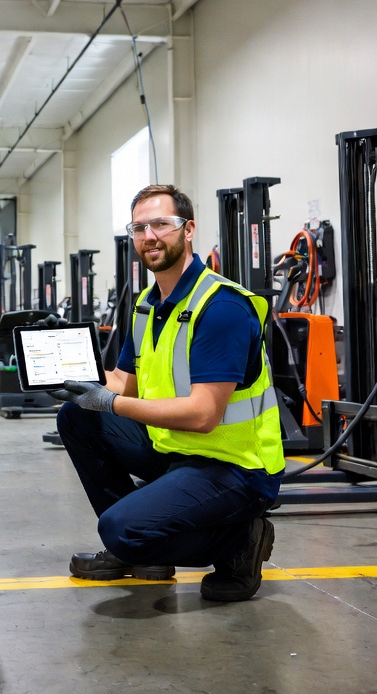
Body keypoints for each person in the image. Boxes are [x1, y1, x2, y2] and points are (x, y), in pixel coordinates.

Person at [52, 183, 285, 602]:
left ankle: (239, 541)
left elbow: (203, 414)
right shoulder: (147, 304)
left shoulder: (222, 307)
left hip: (236, 467)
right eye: (139, 228)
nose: (150, 236)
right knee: (77, 416)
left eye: (161, 224)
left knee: (121, 529)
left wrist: (112, 401)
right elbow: (124, 382)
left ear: (188, 229)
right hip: (179, 450)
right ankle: (141, 550)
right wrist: (68, 377)